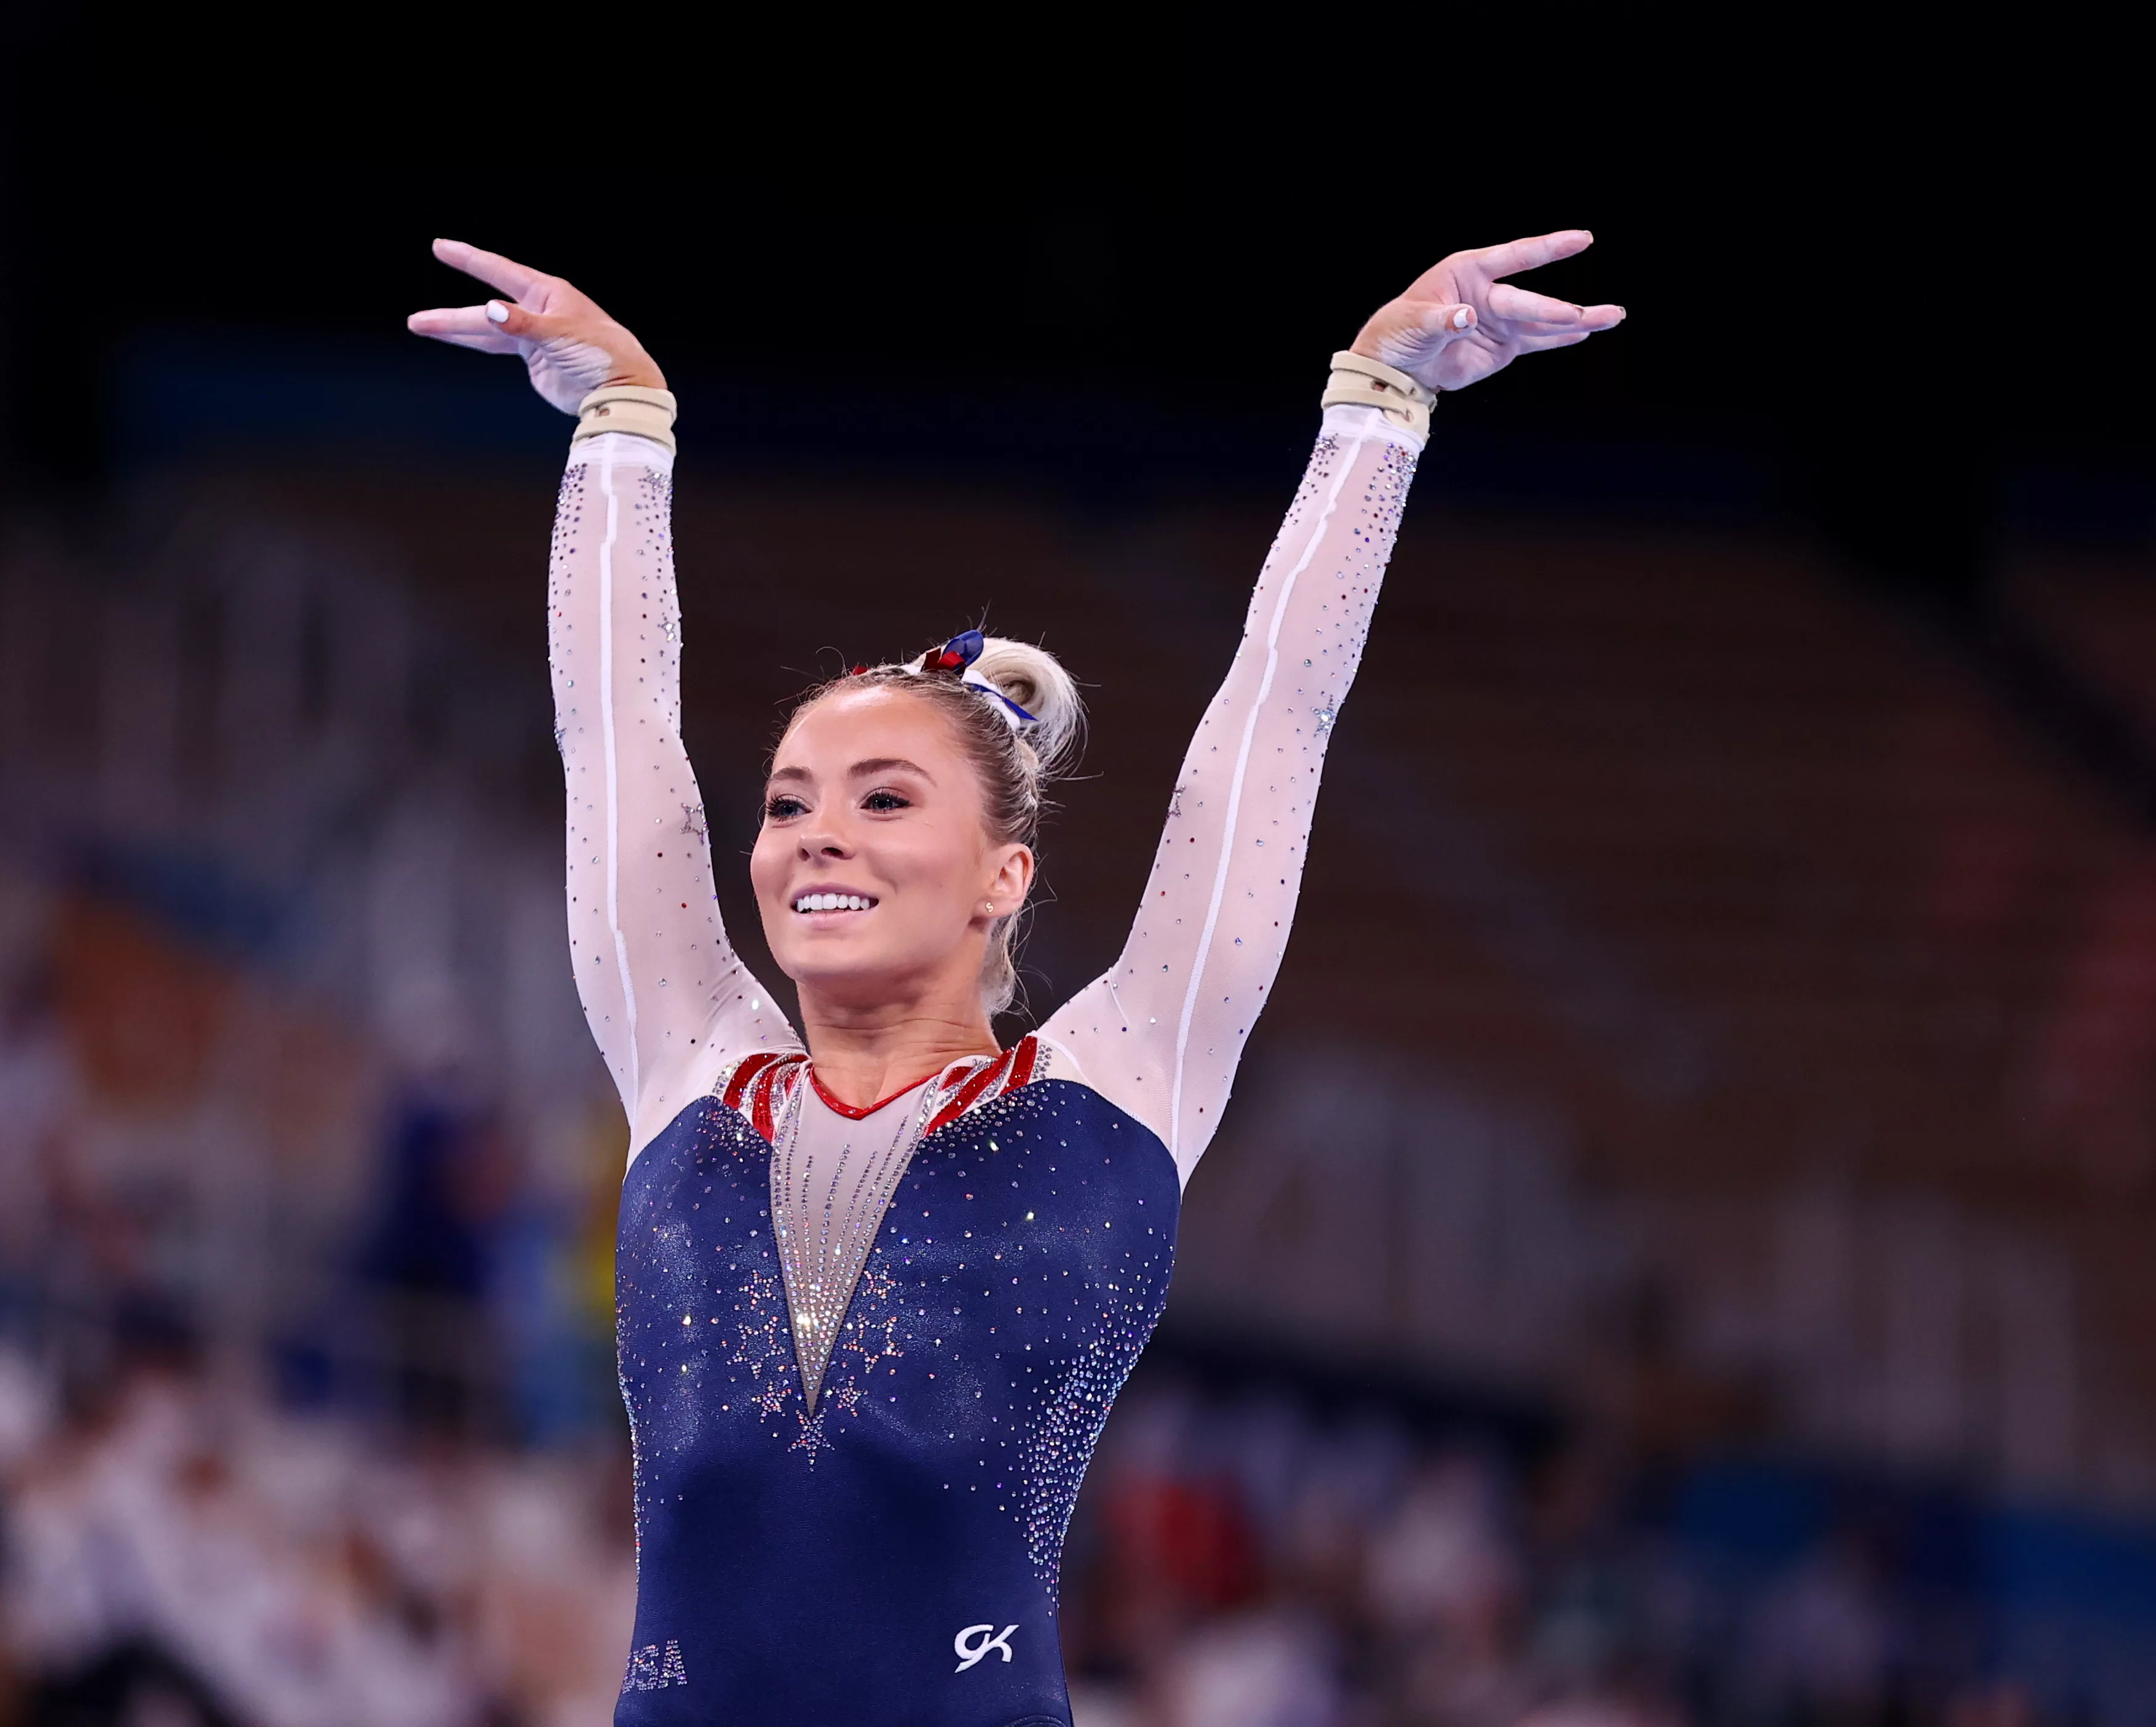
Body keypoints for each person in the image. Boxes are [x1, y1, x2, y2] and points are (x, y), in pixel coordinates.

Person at [410, 231, 1621, 1725]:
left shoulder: (1120, 1080)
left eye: (882, 799)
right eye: (788, 801)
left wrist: (1379, 406)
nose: (813, 839)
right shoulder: (687, 1066)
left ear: (1005, 877)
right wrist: (618, 426)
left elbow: (1277, 720)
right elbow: (616, 744)